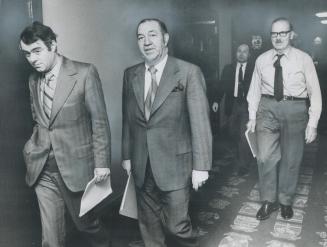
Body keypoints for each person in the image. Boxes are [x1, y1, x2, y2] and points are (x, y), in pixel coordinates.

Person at [121, 18, 212, 247]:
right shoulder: (130, 74)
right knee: (148, 226)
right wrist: (127, 156)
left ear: (166, 38)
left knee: (176, 226)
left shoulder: (188, 72)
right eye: (141, 37)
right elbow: (128, 120)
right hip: (142, 163)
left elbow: (200, 123)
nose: (146, 42)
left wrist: (201, 166)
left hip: (176, 165)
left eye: (152, 35)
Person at [20, 22, 111, 247]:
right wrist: (32, 148)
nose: (32, 59)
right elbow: (39, 120)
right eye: (27, 54)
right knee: (51, 238)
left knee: (87, 225)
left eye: (37, 51)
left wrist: (102, 164)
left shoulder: (84, 73)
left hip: (75, 168)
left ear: (53, 45)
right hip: (42, 168)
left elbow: (99, 122)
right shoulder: (33, 80)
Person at [247, 17, 322, 220]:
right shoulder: (261, 59)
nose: (278, 37)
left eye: (282, 33)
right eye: (274, 34)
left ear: (291, 34)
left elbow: (315, 92)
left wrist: (313, 123)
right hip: (267, 108)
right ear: (270, 36)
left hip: (295, 108)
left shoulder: (304, 59)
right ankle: (268, 201)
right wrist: (252, 116)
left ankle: (285, 201)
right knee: (264, 157)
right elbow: (254, 90)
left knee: (291, 158)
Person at [213, 44, 254, 176]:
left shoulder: (254, 69)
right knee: (233, 132)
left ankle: (243, 164)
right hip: (233, 104)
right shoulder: (228, 69)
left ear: (249, 54)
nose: (241, 54)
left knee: (244, 135)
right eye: (239, 51)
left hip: (248, 105)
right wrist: (216, 100)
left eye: (245, 52)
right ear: (236, 53)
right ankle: (241, 155)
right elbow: (221, 85)